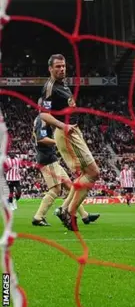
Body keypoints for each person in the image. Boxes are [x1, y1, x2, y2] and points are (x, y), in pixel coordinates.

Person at [39, 54, 101, 231]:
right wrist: (62, 125)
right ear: (50, 69)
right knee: (93, 172)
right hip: (65, 132)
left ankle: (65, 209)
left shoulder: (63, 84)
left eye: (63, 66)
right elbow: (43, 113)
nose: (61, 69)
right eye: (57, 66)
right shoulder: (50, 87)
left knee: (87, 174)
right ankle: (69, 211)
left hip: (73, 130)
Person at [32, 111, 100, 227]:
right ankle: (38, 217)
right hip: (47, 159)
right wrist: (57, 142)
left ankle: (84, 215)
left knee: (71, 185)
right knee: (56, 190)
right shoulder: (41, 119)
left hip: (51, 158)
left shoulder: (42, 120)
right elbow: (41, 139)